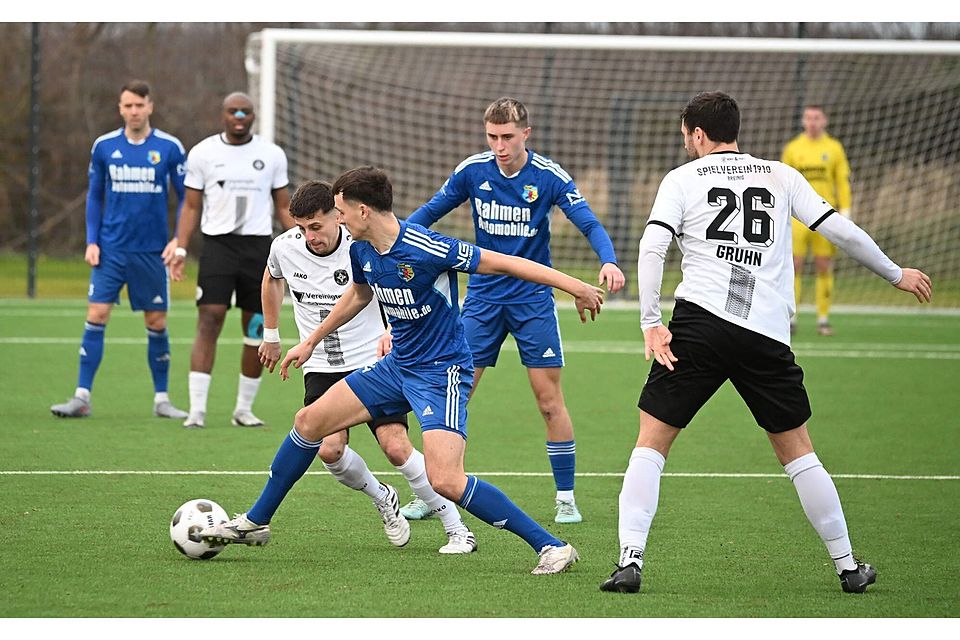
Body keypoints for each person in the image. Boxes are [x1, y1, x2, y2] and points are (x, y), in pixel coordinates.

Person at [600, 91, 931, 594]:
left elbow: (653, 247)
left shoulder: (681, 179)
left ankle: (630, 561)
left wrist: (650, 321)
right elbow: (841, 231)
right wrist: (894, 273)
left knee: (652, 442)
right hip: (765, 332)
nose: (685, 141)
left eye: (685, 133)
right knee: (798, 452)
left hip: (700, 326)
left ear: (697, 134)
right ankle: (847, 567)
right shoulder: (781, 175)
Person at [201, 166, 604, 575]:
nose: (338, 219)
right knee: (308, 422)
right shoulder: (361, 250)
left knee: (446, 479)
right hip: (395, 367)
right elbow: (358, 295)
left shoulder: (427, 246)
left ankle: (551, 546)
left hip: (441, 372)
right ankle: (256, 522)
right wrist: (311, 341)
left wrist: (577, 286)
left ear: (362, 211)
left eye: (340, 211)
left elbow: (508, 264)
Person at [405, 97, 625, 524]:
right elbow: (429, 213)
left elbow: (589, 223)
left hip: (532, 301)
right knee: (454, 396)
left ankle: (566, 497)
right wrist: (392, 242)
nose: (499, 146)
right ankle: (433, 492)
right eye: (492, 137)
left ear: (526, 133)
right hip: (482, 300)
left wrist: (609, 260)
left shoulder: (548, 176)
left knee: (548, 401)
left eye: (507, 137)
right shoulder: (473, 171)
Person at [257, 179, 476, 553]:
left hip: (371, 358)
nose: (309, 237)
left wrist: (392, 330)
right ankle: (382, 497)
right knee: (328, 449)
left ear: (337, 216)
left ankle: (456, 527)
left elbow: (396, 287)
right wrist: (271, 333)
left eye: (316, 226)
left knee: (395, 446)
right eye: (302, 228)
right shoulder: (284, 247)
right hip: (322, 363)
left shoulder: (361, 242)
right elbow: (271, 278)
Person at [51, 80, 189, 420]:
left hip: (152, 252)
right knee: (96, 314)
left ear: (150, 107)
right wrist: (92, 241)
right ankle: (81, 397)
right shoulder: (104, 146)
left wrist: (178, 240)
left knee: (156, 321)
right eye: (128, 105)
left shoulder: (169, 147)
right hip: (111, 250)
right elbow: (95, 195)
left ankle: (162, 399)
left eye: (139, 105)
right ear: (120, 108)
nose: (134, 111)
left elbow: (188, 198)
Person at [168, 92, 292, 428]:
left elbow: (283, 206)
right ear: (222, 114)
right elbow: (190, 206)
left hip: (257, 248)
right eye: (233, 111)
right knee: (209, 318)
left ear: (253, 116)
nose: (239, 116)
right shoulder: (203, 153)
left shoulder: (271, 154)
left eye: (245, 111)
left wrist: (302, 243)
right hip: (218, 247)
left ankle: (243, 409)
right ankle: (197, 410)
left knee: (257, 326)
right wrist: (180, 248)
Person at [782, 105, 852, 336]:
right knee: (794, 265)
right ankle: (792, 318)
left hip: (825, 216)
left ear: (824, 121)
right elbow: (782, 183)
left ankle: (823, 319)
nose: (812, 122)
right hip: (797, 219)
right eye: (808, 118)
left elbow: (842, 180)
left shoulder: (834, 148)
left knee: (823, 264)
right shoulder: (793, 148)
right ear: (803, 121)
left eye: (817, 118)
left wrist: (846, 210)